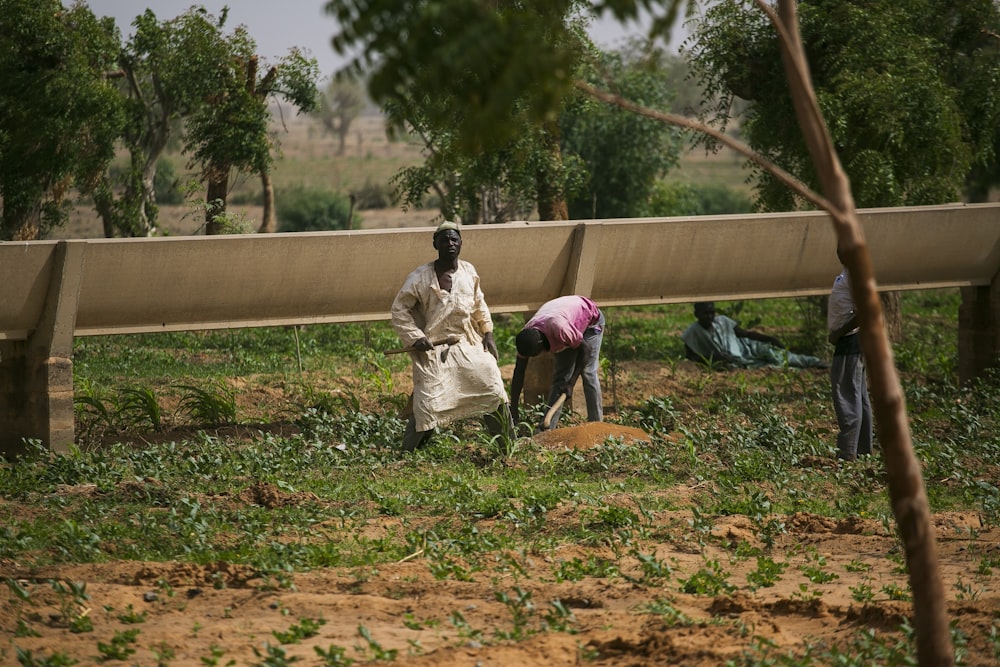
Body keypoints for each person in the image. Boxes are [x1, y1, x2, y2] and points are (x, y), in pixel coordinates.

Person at [390, 221, 514, 451]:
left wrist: (487, 333)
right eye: (445, 239)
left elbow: (479, 304)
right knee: (428, 399)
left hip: (468, 342)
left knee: (492, 385)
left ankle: (507, 446)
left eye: (454, 239)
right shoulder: (419, 277)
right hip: (433, 348)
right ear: (435, 243)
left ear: (461, 244)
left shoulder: (469, 272)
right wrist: (415, 337)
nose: (450, 243)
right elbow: (399, 310)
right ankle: (409, 452)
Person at [509, 295, 604, 431]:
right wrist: (514, 408)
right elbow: (519, 372)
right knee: (560, 379)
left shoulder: (559, 329)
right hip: (565, 320)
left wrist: (571, 383)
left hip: (590, 322)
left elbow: (586, 350)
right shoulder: (527, 337)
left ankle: (597, 425)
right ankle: (547, 429)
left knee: (588, 373)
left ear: (541, 345)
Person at [682, 301, 827, 369]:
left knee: (778, 355)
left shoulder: (723, 321)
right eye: (705, 313)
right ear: (696, 314)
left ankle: (816, 362)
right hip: (736, 361)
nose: (709, 316)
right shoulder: (692, 333)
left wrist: (770, 338)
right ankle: (807, 368)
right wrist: (713, 358)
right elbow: (691, 357)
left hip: (748, 348)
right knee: (773, 367)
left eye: (711, 312)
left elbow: (745, 334)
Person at [827, 250, 873, 461]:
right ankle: (863, 451)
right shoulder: (848, 274)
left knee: (847, 395)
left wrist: (838, 332)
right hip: (852, 341)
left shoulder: (854, 275)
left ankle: (848, 453)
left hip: (850, 342)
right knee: (858, 395)